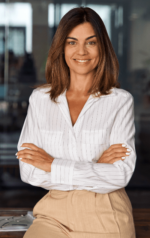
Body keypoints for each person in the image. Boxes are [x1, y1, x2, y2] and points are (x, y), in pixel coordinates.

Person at [16, 7, 136, 238]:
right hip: (53, 214)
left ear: (102, 47)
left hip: (105, 213)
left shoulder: (120, 101)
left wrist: (52, 164)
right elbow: (29, 171)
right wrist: (96, 165)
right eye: (72, 42)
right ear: (61, 48)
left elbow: (120, 174)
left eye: (90, 42)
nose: (81, 51)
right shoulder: (40, 99)